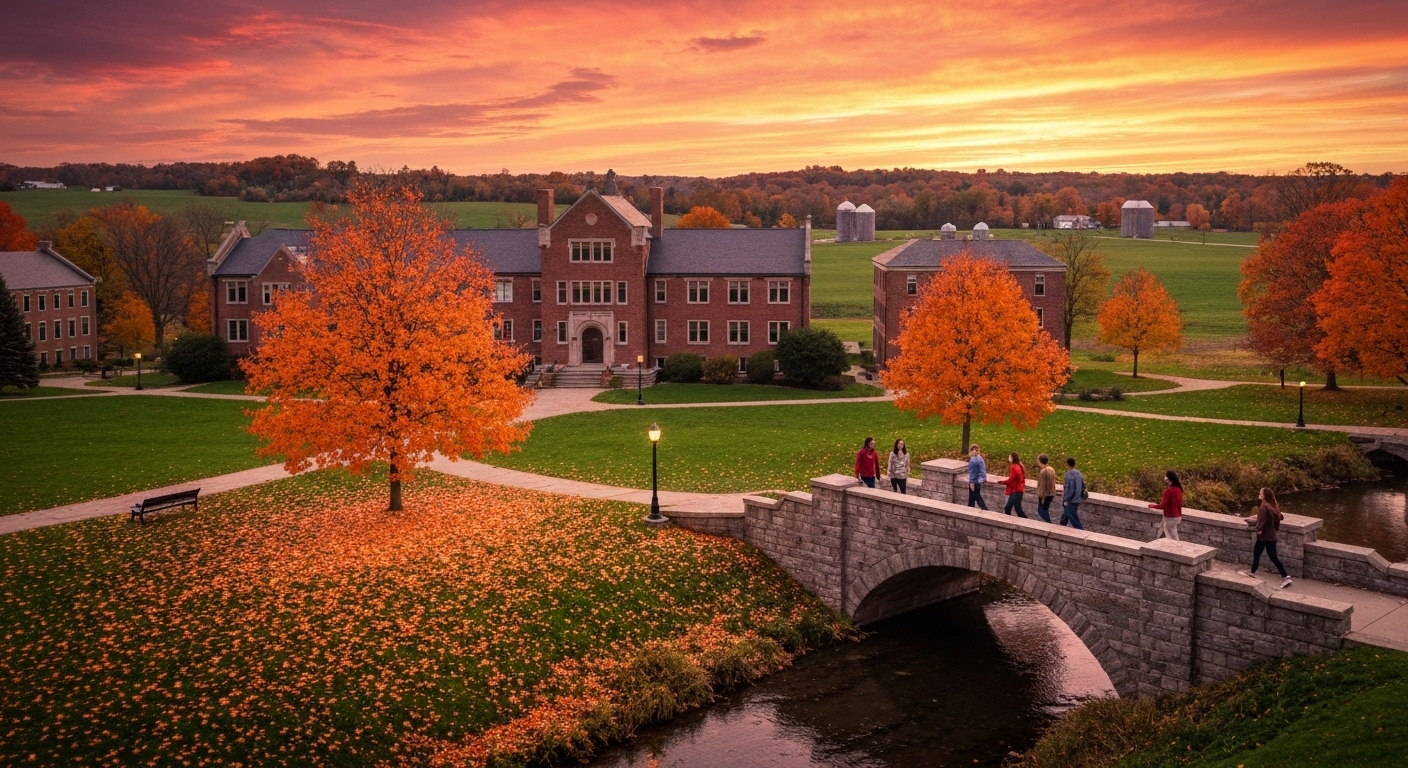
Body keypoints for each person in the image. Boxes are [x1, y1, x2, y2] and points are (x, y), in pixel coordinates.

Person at [1241, 487, 1292, 588]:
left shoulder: (1263, 507)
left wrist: (1259, 529)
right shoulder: (1270, 506)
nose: (1259, 494)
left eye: (1260, 493)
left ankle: (1286, 576)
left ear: (1264, 495)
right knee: (1258, 552)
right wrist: (1253, 522)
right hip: (1269, 535)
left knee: (1271, 556)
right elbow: (1278, 517)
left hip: (1265, 536)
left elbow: (1262, 521)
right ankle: (1252, 572)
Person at [1148, 470, 1183, 541]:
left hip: (1170, 517)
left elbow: (1163, 505)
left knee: (1169, 536)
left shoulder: (1168, 491)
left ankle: (1173, 549)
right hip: (1178, 517)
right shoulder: (1179, 489)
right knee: (1173, 535)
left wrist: (1152, 506)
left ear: (1168, 479)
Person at [1059, 456, 1085, 530]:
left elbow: (1070, 489)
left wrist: (1066, 499)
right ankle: (1061, 526)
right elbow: (1083, 485)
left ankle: (1081, 531)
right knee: (1066, 514)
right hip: (1078, 498)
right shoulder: (1079, 473)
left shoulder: (1068, 475)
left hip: (1071, 500)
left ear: (1067, 465)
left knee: (1073, 517)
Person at [1002, 452, 1028, 518]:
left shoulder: (1014, 467)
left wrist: (1003, 482)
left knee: (1007, 508)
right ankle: (1026, 522)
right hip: (1019, 491)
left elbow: (1012, 479)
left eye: (1009, 456)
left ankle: (1008, 522)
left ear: (1012, 458)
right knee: (1018, 510)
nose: (1008, 457)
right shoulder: (1018, 466)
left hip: (1016, 491)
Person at [1035, 454, 1057, 523]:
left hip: (1045, 494)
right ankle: (1048, 523)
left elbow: (1042, 485)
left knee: (1041, 510)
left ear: (1040, 461)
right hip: (1051, 493)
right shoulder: (1051, 469)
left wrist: (1042, 496)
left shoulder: (1043, 471)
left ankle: (1048, 523)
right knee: (1045, 509)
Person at [966, 444, 988, 509]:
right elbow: (982, 470)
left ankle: (985, 510)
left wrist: (972, 482)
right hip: (980, 480)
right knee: (972, 498)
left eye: (975, 450)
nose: (974, 452)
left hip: (975, 481)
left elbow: (973, 472)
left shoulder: (973, 460)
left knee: (977, 497)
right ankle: (970, 509)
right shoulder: (980, 458)